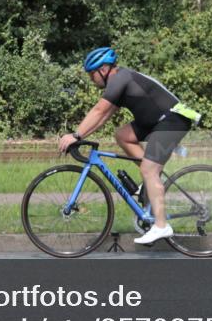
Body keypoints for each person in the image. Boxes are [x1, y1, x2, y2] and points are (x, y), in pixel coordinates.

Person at [58, 47, 200, 245]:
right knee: (122, 135)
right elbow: (103, 118)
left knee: (149, 170)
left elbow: (99, 111)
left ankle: (161, 226)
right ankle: (150, 183)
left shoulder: (120, 79)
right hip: (154, 121)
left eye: (92, 74)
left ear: (104, 69)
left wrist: (75, 135)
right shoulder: (119, 82)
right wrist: (81, 136)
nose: (91, 79)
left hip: (172, 121)